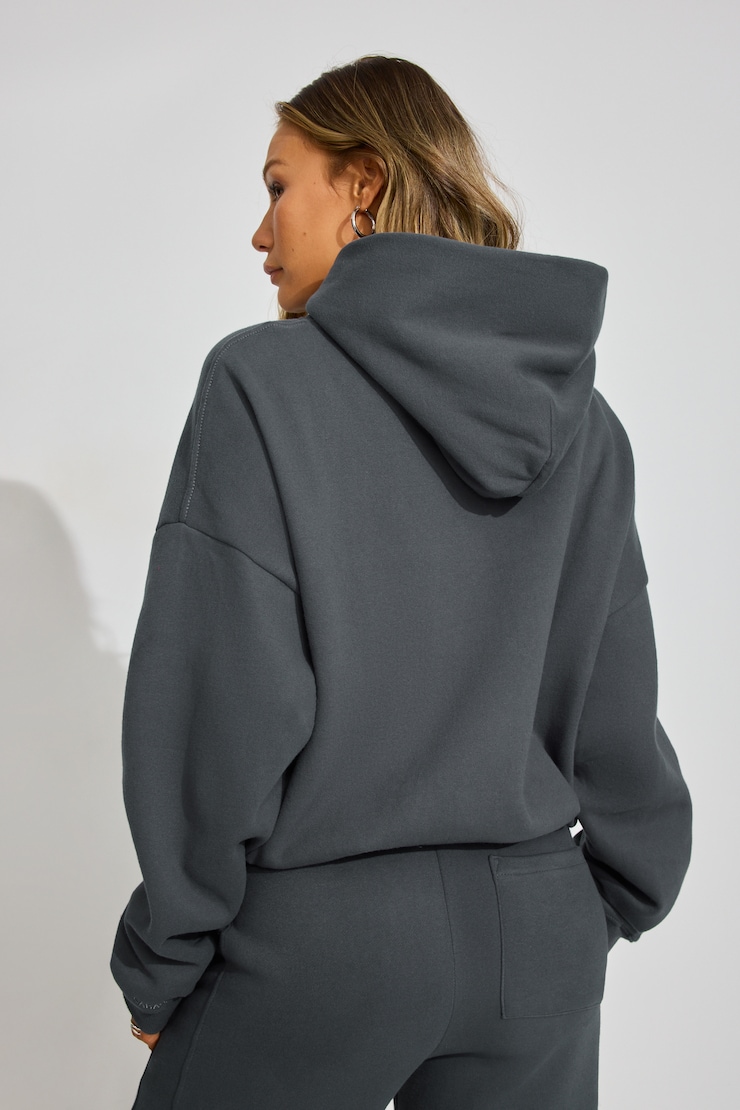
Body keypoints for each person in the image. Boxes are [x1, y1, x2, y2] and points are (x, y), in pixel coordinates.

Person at [109, 54, 692, 1110]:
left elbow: (223, 701)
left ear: (364, 183)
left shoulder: (260, 382)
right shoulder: (582, 420)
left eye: (278, 187)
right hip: (535, 940)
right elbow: (616, 692)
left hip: (316, 948)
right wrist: (598, 899)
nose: (259, 233)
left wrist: (166, 952)